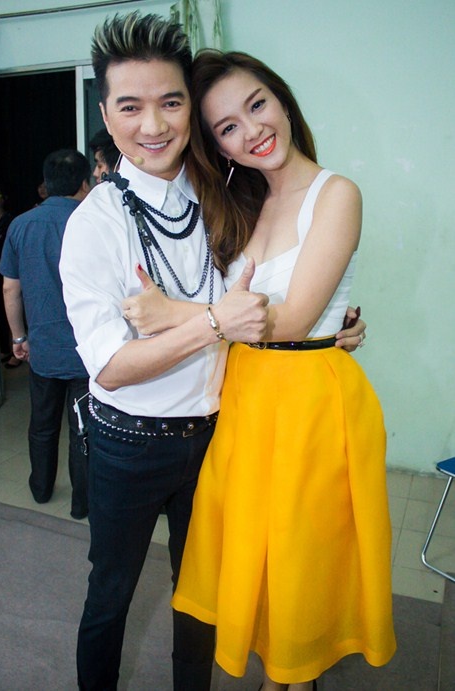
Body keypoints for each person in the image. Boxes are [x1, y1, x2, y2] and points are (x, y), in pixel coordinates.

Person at [59, 12, 365, 691]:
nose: (153, 125)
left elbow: (283, 285)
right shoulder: (93, 225)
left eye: (170, 103)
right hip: (129, 441)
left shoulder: (226, 194)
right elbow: (109, 366)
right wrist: (210, 322)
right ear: (105, 115)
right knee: (110, 593)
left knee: (199, 595)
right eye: (130, 107)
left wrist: (330, 328)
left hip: (220, 430)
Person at [167, 51, 396, 690]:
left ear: (283, 101)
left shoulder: (336, 193)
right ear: (218, 146)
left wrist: (174, 315)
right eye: (228, 126)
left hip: (309, 402)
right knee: (256, 550)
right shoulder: (243, 202)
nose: (252, 130)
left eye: (257, 104)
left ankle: (292, 677)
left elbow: (293, 320)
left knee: (300, 554)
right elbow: (244, 311)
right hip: (248, 395)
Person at [0, 149, 91, 520]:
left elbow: (10, 288)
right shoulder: (93, 223)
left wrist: (18, 338)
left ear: (46, 183)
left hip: (43, 349)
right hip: (88, 352)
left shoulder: (21, 225)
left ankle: (40, 489)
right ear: (84, 183)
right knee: (83, 429)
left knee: (42, 424)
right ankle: (82, 504)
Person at [0, 182, 20, 368]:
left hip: (6, 270)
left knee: (10, 307)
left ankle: (14, 349)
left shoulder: (10, 221)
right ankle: (3, 347)